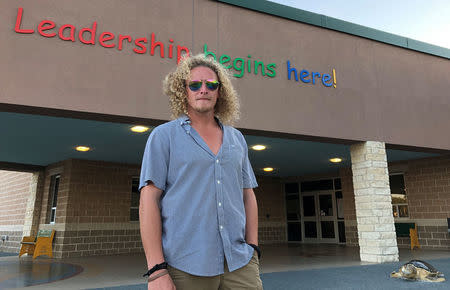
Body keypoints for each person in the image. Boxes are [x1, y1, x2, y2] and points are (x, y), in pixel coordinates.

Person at [139, 54, 263, 290]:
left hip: (240, 264)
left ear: (220, 91)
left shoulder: (237, 139)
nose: (203, 90)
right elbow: (148, 200)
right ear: (183, 90)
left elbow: (248, 195)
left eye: (211, 85)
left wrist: (253, 247)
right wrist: (156, 270)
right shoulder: (163, 137)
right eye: (194, 85)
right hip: (184, 266)